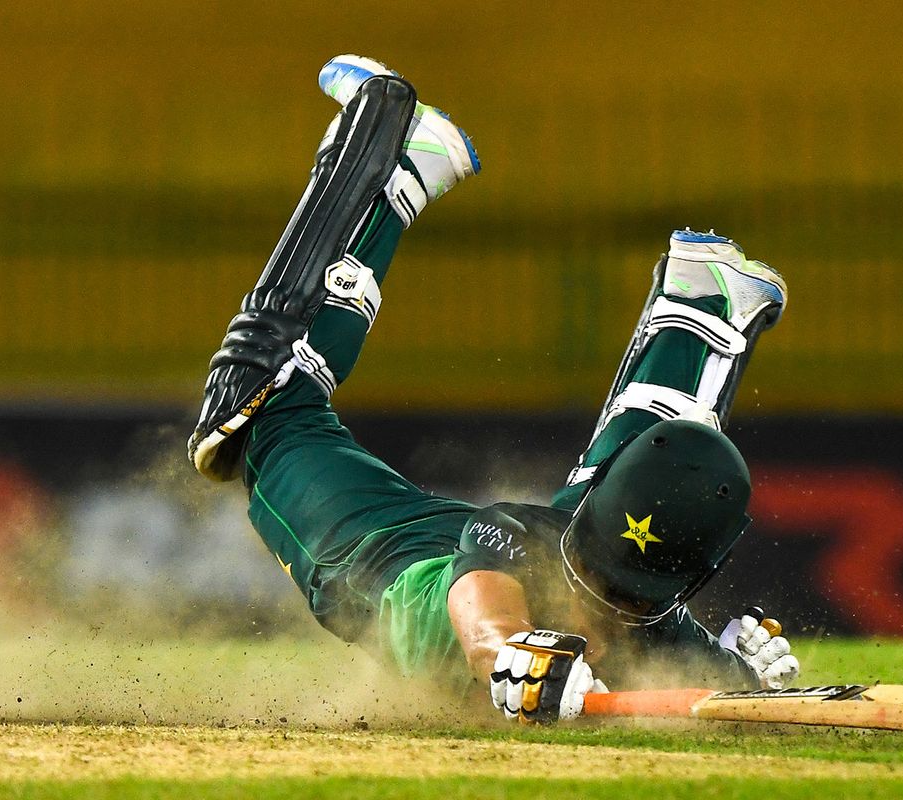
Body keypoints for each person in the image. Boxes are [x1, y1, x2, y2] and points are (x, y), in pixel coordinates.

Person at [188, 55, 800, 723]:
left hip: (549, 544)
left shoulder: (654, 622)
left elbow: (720, 699)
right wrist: (508, 655)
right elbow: (483, 610)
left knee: (603, 537)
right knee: (256, 410)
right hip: (387, 564)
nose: (608, 609)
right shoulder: (514, 538)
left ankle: (703, 308)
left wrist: (744, 679)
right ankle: (390, 155)